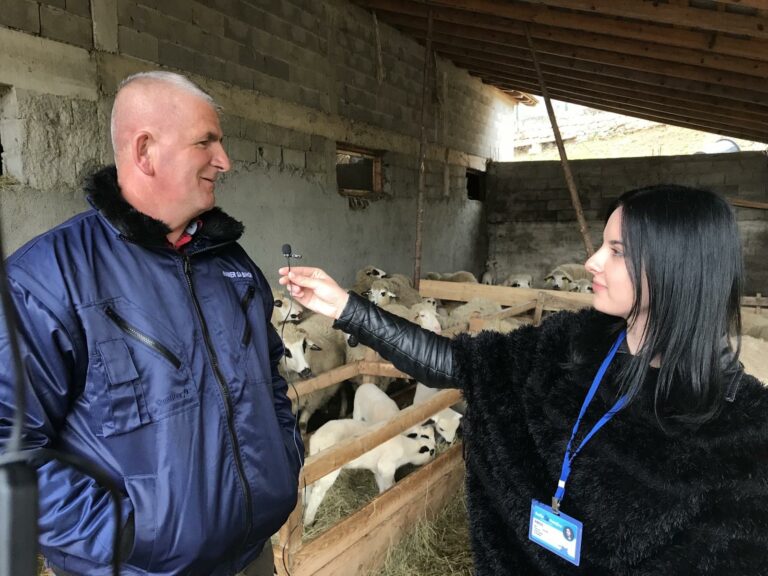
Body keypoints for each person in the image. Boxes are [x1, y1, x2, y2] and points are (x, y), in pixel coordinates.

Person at [280, 184, 768, 575]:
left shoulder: (740, 431)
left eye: (615, 250)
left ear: (675, 270)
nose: (592, 262)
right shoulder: (569, 345)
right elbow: (457, 364)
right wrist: (347, 309)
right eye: (602, 244)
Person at [0, 72, 303, 575]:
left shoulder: (231, 263)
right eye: (206, 142)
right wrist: (124, 538)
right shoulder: (49, 279)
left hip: (251, 557)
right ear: (145, 151)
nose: (224, 161)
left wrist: (283, 460)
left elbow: (269, 373)